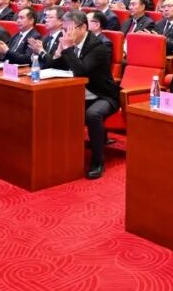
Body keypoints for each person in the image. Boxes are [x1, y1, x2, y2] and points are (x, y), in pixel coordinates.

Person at [41, 11, 120, 180]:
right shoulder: (70, 43)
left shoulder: (98, 47)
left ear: (83, 28)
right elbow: (50, 67)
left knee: (92, 114)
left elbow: (81, 72)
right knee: (50, 107)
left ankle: (97, 161)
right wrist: (58, 53)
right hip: (78, 95)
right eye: (64, 29)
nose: (65, 34)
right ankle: (58, 154)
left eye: (69, 29)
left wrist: (67, 48)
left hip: (103, 95)